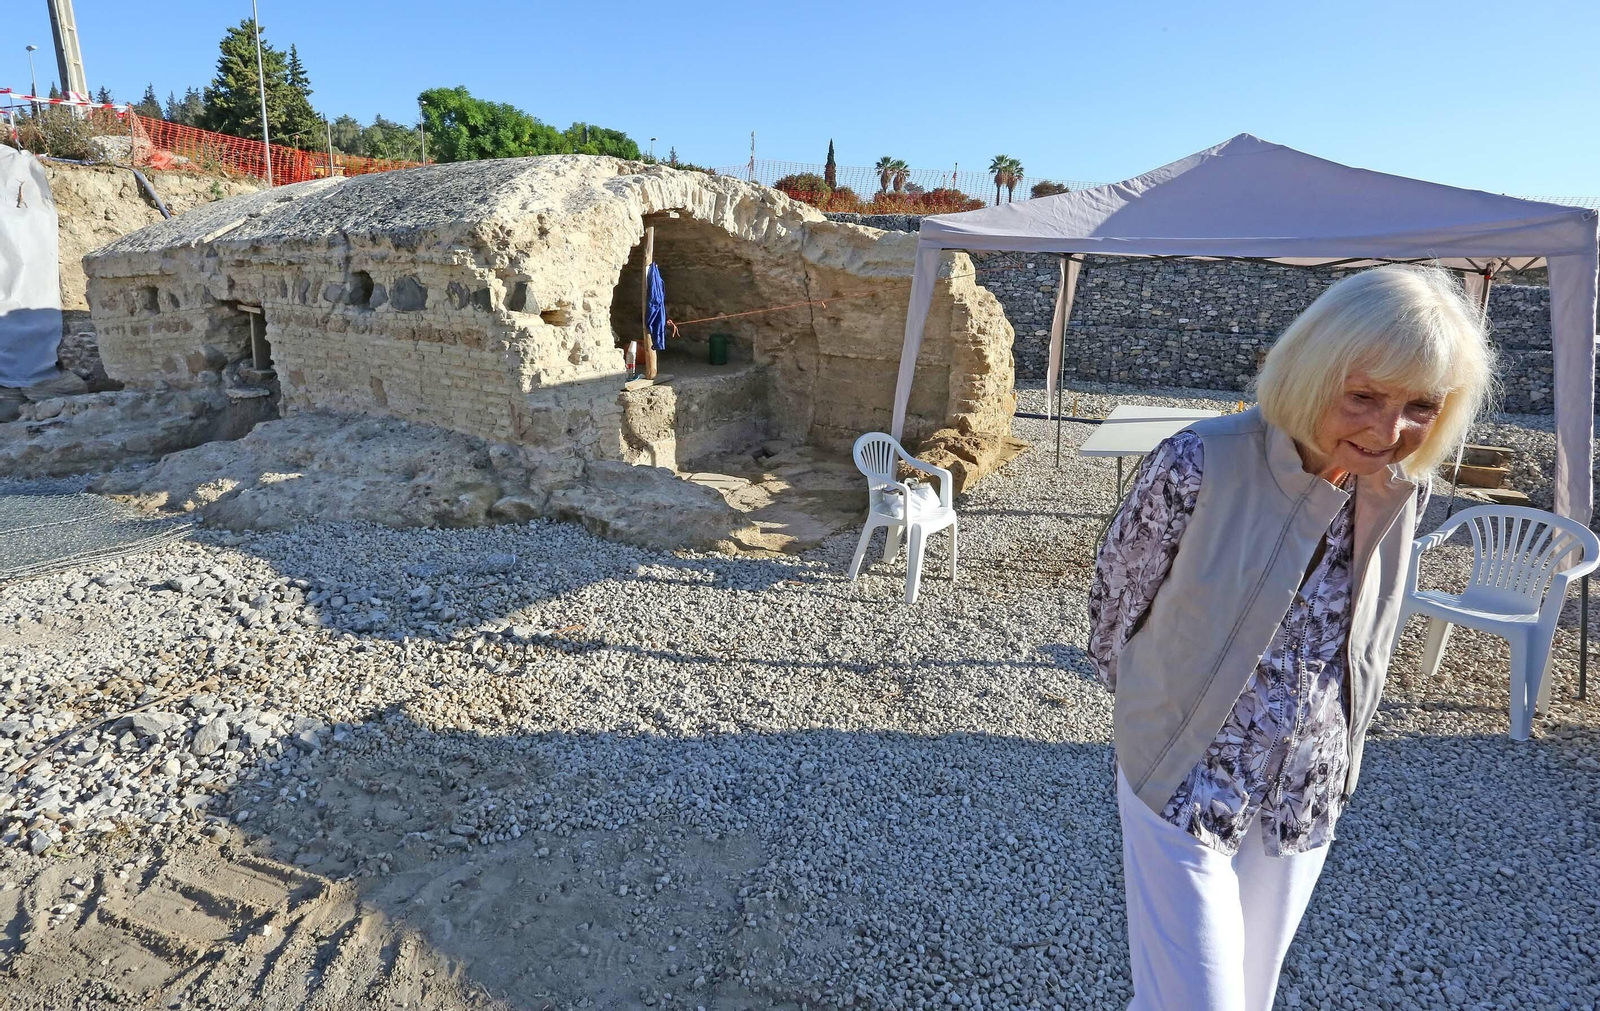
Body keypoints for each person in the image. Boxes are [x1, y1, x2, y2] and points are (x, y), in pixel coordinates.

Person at [1087, 264, 1497, 1011]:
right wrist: (1156, 706)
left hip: (1303, 796)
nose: (1388, 431)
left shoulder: (1401, 490)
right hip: (1180, 776)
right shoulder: (1198, 461)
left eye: (1420, 406)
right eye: (1363, 395)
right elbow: (1116, 601)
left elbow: (1366, 632)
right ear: (1312, 371)